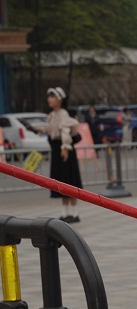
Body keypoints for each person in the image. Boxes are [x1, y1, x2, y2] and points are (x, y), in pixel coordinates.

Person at [44, 86, 82, 222]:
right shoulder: (52, 115)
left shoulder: (64, 114)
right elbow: (49, 130)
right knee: (61, 181)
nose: (50, 99)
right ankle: (65, 213)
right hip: (56, 151)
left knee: (69, 180)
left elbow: (65, 132)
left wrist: (65, 147)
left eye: (53, 96)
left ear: (60, 99)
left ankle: (74, 213)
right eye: (49, 96)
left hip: (65, 151)